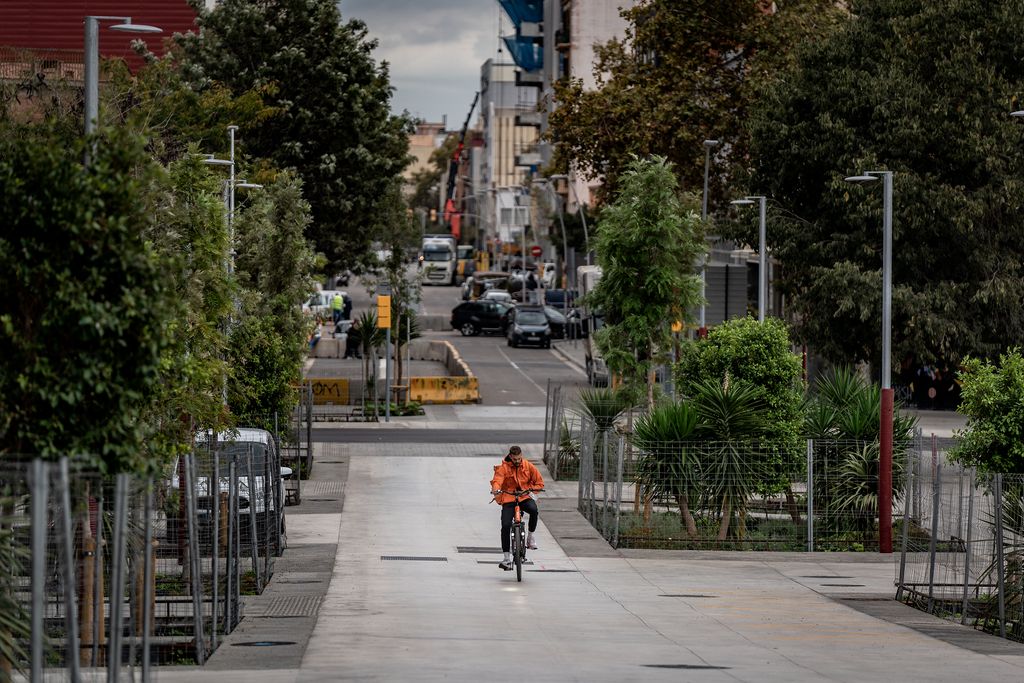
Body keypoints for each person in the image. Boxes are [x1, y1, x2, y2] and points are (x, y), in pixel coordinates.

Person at [490, 445, 544, 571]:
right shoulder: (504, 467)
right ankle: (506, 558)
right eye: (515, 459)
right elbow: (497, 480)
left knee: (534, 511)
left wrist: (533, 491)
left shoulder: (528, 466)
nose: (518, 461)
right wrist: (496, 489)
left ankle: (530, 538)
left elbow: (539, 482)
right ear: (510, 457)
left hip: (524, 496)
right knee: (505, 525)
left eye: (519, 459)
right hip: (509, 497)